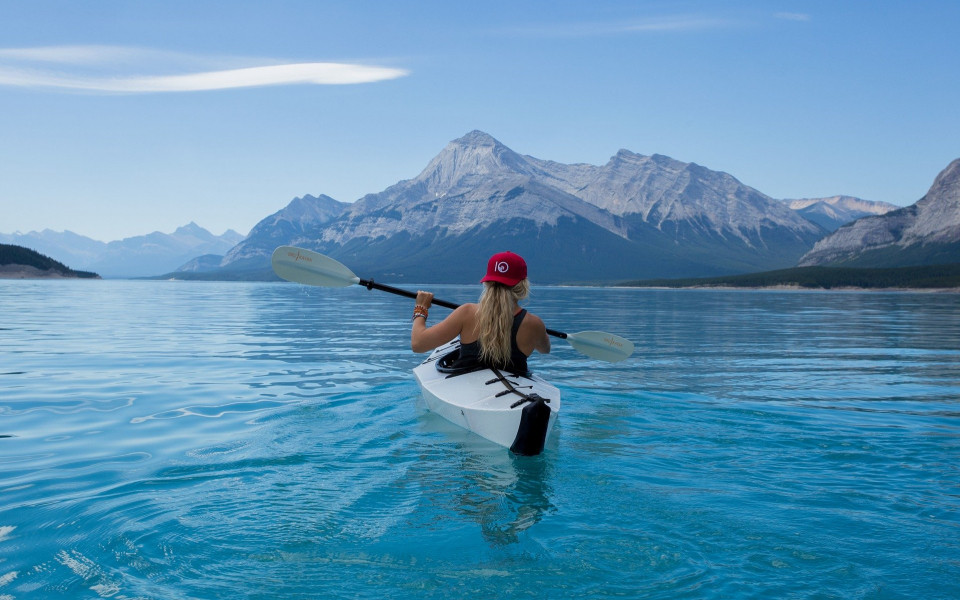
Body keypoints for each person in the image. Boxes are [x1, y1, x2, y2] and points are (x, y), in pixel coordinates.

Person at [410, 251, 550, 374]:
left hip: (465, 386)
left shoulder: (467, 312)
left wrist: (421, 308)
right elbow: (545, 349)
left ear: (487, 282)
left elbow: (418, 344)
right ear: (523, 285)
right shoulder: (534, 324)